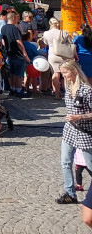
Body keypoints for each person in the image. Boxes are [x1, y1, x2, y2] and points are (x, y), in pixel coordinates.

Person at [59, 60, 92, 205]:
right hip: (69, 131)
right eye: (62, 73)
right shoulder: (68, 88)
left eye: (65, 72)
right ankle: (70, 193)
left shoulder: (87, 90)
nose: (63, 76)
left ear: (75, 72)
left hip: (84, 132)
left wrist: (79, 116)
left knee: (90, 165)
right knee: (65, 162)